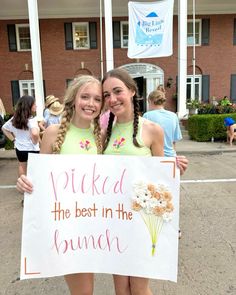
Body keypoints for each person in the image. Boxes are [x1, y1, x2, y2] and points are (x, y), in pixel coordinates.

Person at [101, 68, 188, 295]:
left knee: (139, 289)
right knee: (121, 289)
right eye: (106, 95)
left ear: (131, 91)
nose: (112, 99)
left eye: (117, 91)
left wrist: (175, 170)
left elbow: (160, 180)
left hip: (142, 221)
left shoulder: (152, 130)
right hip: (115, 222)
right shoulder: (103, 133)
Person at [17, 75, 104, 295]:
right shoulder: (54, 134)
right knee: (83, 292)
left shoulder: (101, 136)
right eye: (85, 97)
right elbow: (40, 178)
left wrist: (169, 165)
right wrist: (25, 182)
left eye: (96, 99)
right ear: (73, 98)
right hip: (67, 226)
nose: (91, 104)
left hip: (95, 224)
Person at [2, 95, 40, 176]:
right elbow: (35, 133)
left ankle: (23, 185)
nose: (36, 105)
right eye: (34, 104)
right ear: (29, 106)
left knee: (22, 166)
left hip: (20, 148)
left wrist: (13, 139)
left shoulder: (14, 119)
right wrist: (35, 141)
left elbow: (4, 128)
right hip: (32, 148)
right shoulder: (32, 120)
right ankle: (33, 186)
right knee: (34, 168)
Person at [143, 89, 182, 157]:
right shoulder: (173, 116)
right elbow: (174, 141)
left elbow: (144, 140)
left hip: (155, 157)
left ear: (150, 101)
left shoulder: (147, 116)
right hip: (171, 156)